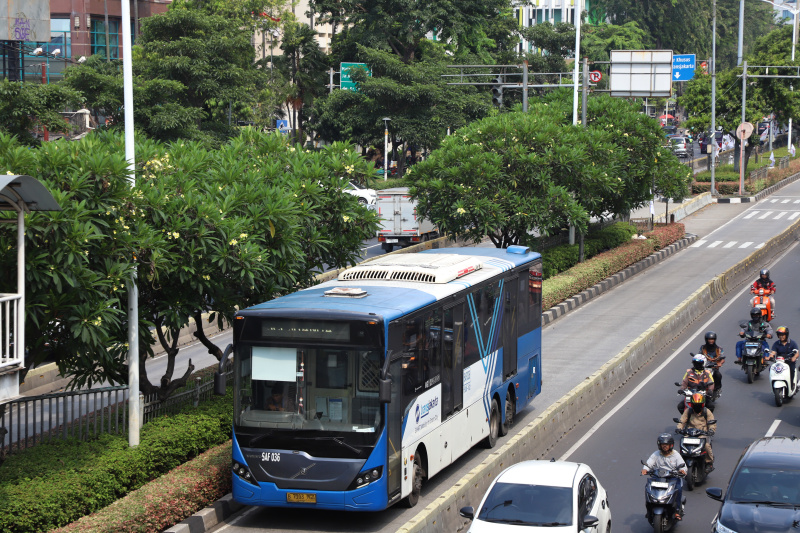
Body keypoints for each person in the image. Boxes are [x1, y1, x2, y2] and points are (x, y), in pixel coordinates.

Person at [642, 433, 687, 521]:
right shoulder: (656, 454)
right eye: (663, 445)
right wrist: (645, 469)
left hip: (672, 477)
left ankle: (677, 510)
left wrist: (682, 470)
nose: (664, 447)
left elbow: (682, 465)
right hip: (658, 476)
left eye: (666, 445)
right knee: (648, 487)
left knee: (678, 489)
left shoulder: (676, 455)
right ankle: (649, 509)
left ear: (671, 445)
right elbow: (649, 462)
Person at [676, 392, 716, 473]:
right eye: (695, 404)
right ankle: (681, 462)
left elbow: (712, 423)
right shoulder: (688, 411)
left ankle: (709, 463)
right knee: (682, 444)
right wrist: (679, 428)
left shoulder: (707, 411)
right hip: (689, 433)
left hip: (702, 434)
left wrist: (711, 430)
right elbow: (682, 421)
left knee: (706, 446)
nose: (697, 406)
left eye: (699, 404)